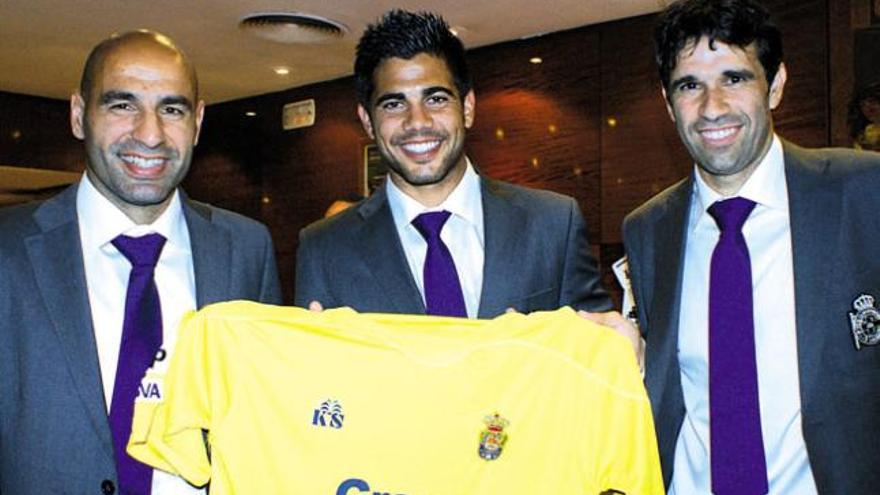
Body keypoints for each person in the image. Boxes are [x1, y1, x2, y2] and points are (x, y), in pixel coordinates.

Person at [0, 30, 282, 494]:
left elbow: (262, 417)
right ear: (78, 115)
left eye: (172, 109)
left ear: (197, 122)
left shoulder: (246, 249)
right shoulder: (9, 251)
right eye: (122, 105)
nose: (150, 134)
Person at [623, 0, 880, 493]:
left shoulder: (864, 194)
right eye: (689, 85)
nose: (712, 107)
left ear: (775, 85)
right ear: (668, 103)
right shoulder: (648, 230)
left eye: (734, 78)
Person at [295, 9, 612, 319]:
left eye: (436, 99)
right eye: (393, 104)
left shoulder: (552, 223)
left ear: (468, 108)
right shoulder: (324, 248)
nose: (418, 122)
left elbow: (600, 346)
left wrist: (626, 345)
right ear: (367, 121)